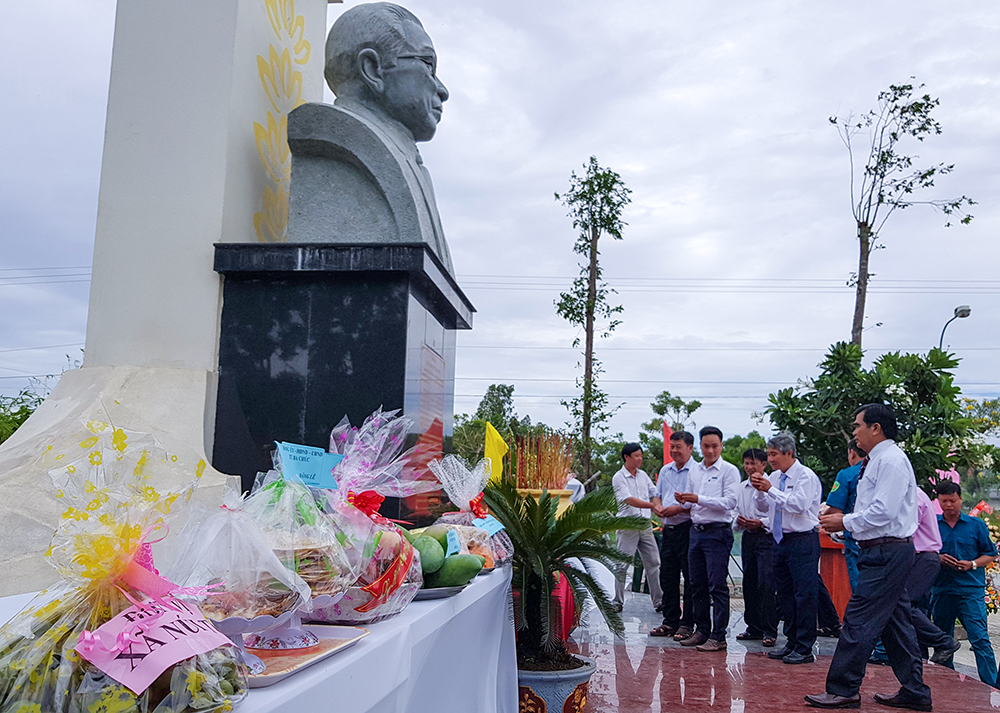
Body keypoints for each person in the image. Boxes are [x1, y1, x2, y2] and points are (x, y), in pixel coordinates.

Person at [288, 2, 455, 273]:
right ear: (373, 69)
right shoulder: (337, 146)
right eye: (428, 65)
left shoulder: (406, 158)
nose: (442, 89)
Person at [807, 403, 931, 711]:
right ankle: (915, 690)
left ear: (876, 428)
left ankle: (843, 688)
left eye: (857, 425)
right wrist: (844, 530)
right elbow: (874, 512)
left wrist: (845, 521)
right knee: (896, 623)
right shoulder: (877, 461)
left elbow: (883, 512)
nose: (854, 432)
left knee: (858, 619)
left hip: (888, 551)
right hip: (882, 548)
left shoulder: (890, 461)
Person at [750, 434, 822, 664]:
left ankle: (804, 646)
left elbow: (799, 505)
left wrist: (770, 489)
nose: (770, 459)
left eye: (774, 454)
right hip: (779, 540)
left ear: (789, 453)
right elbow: (764, 508)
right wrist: (760, 491)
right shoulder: (773, 477)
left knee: (804, 594)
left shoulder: (805, 476)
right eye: (769, 453)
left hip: (802, 540)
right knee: (785, 594)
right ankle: (791, 641)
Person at [675, 426, 739, 652]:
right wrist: (684, 499)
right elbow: (692, 502)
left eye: (714, 446)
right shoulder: (695, 470)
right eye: (706, 446)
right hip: (696, 531)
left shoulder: (729, 471)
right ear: (700, 446)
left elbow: (730, 502)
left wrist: (698, 498)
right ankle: (701, 630)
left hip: (718, 532)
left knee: (717, 585)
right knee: (696, 584)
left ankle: (718, 635)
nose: (710, 450)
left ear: (722, 446)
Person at [931, 480, 998, 685]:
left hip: (970, 591)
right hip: (942, 589)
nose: (949, 505)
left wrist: (972, 564)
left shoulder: (975, 525)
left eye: (952, 500)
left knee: (979, 639)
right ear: (939, 502)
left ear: (960, 499)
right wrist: (938, 557)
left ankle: (992, 684)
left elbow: (991, 554)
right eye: (944, 501)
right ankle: (945, 682)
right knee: (943, 641)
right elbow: (923, 550)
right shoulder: (933, 523)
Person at [649, 431, 696, 639]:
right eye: (672, 447)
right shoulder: (666, 470)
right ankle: (670, 621)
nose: (674, 451)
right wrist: (658, 507)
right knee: (667, 575)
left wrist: (678, 509)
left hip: (688, 528)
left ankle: (687, 624)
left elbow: (699, 502)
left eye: (679, 447)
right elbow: (657, 495)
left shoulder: (696, 471)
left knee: (690, 577)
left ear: (690, 448)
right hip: (668, 530)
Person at [734, 448, 778, 647]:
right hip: (748, 537)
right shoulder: (741, 487)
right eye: (747, 463)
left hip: (766, 537)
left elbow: (777, 514)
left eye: (754, 463)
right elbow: (734, 511)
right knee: (749, 581)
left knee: (767, 583)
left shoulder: (772, 485)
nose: (750, 467)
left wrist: (761, 523)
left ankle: (770, 629)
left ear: (763, 465)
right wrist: (739, 521)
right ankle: (753, 626)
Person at [611, 443, 663, 612]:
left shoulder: (643, 476)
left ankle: (659, 601)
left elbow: (654, 492)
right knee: (622, 564)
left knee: (654, 562)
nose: (640, 459)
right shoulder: (619, 477)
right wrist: (652, 506)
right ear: (626, 457)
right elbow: (628, 499)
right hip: (627, 525)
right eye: (637, 456)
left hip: (645, 525)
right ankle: (618, 600)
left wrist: (659, 506)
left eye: (641, 455)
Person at [825, 440, 866, 589]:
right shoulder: (879, 472)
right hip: (881, 540)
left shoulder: (846, 475)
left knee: (859, 589)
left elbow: (835, 510)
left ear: (852, 452)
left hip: (854, 538)